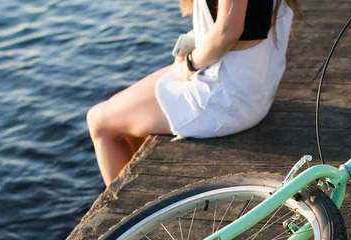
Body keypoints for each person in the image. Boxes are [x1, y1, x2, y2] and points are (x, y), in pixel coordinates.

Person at [86, 0, 302, 186]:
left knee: (99, 122)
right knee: (128, 121)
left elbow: (228, 31)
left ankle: (129, 227)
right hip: (251, 90)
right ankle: (137, 201)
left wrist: (189, 64)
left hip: (226, 99)